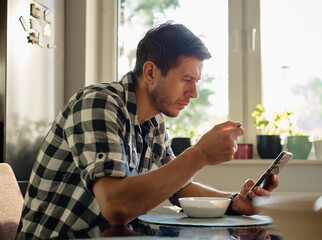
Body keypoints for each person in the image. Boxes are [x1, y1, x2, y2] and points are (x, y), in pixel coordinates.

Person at [16, 22, 279, 239]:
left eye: (196, 81)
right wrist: (199, 154)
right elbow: (116, 207)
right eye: (186, 80)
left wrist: (234, 202)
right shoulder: (98, 103)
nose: (194, 93)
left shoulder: (153, 122)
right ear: (151, 72)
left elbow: (178, 188)